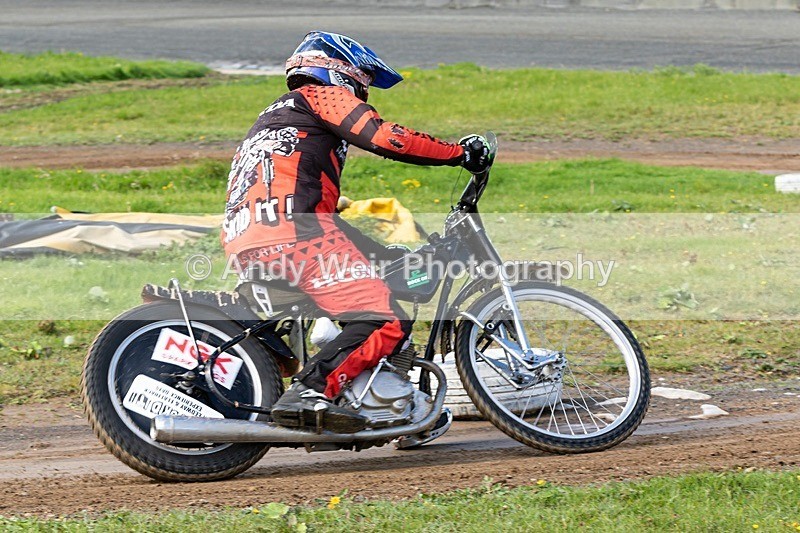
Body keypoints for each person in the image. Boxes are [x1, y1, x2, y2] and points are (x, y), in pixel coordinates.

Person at [222, 30, 492, 432]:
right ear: (336, 70)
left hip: (252, 235)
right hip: (298, 234)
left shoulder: (274, 115)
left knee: (389, 266)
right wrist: (459, 153)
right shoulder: (319, 96)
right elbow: (389, 138)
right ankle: (313, 390)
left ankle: (395, 402)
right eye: (361, 78)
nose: (363, 89)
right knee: (386, 319)